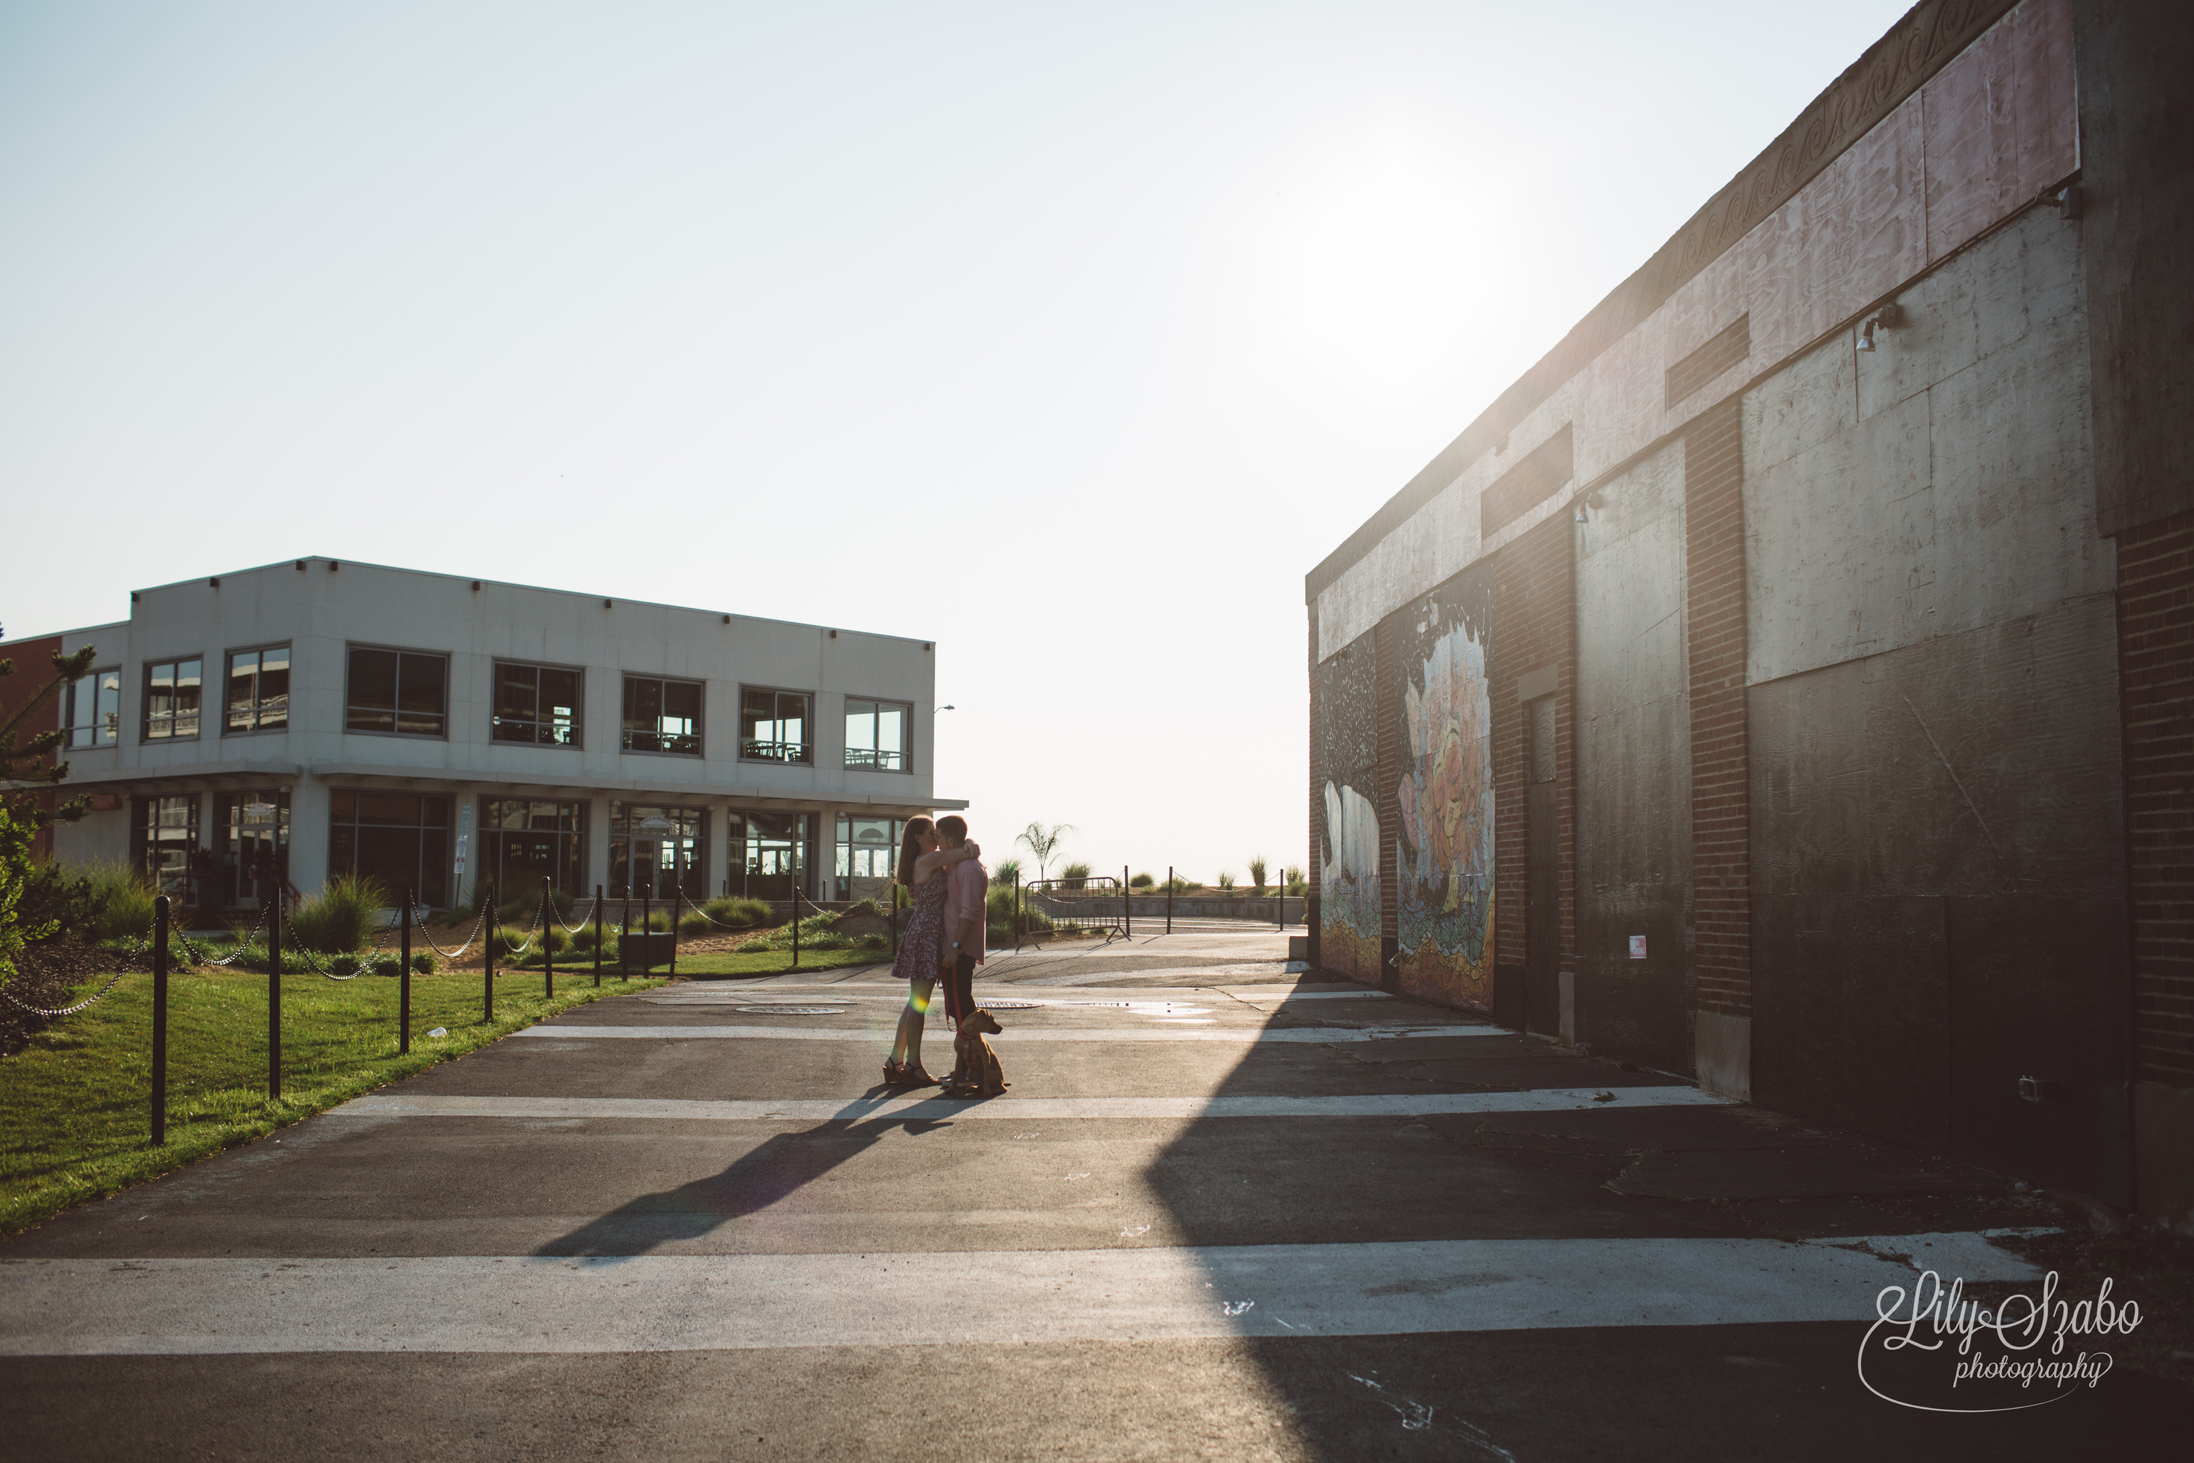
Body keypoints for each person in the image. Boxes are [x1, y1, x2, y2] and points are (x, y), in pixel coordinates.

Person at [884, 816, 981, 1086]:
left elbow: (961, 851)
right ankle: (913, 1064)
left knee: (915, 1002)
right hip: (926, 932)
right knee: (919, 1003)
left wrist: (968, 843)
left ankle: (895, 1060)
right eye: (931, 833)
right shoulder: (925, 861)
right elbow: (965, 851)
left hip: (927, 931)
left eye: (937, 834)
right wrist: (969, 843)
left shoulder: (929, 859)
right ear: (918, 837)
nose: (935, 839)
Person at [935, 815, 987, 1031]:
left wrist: (955, 949)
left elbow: (969, 913)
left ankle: (974, 1060)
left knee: (962, 1008)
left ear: (950, 841)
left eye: (938, 837)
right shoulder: (956, 864)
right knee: (958, 1009)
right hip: (955, 948)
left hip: (960, 950)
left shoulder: (968, 869)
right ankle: (966, 1062)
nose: (936, 844)